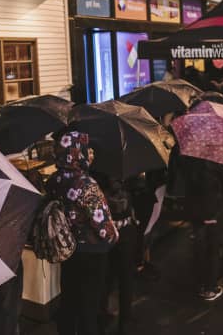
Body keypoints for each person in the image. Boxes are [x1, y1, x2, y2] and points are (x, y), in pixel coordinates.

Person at [46, 132, 118, 335]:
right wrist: (114, 237)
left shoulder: (54, 180)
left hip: (68, 250)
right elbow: (103, 227)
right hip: (92, 253)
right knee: (89, 307)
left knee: (69, 301)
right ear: (79, 153)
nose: (92, 154)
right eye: (88, 150)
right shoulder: (87, 185)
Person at [94, 172, 138, 335]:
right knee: (126, 280)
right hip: (125, 232)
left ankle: (101, 319)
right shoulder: (129, 173)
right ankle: (125, 324)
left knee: (105, 278)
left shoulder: (95, 175)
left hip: (103, 233)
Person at [183, 155, 223, 300]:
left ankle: (200, 283)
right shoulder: (219, 159)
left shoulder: (189, 158)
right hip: (213, 209)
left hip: (195, 209)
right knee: (213, 248)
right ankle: (210, 287)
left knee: (200, 246)